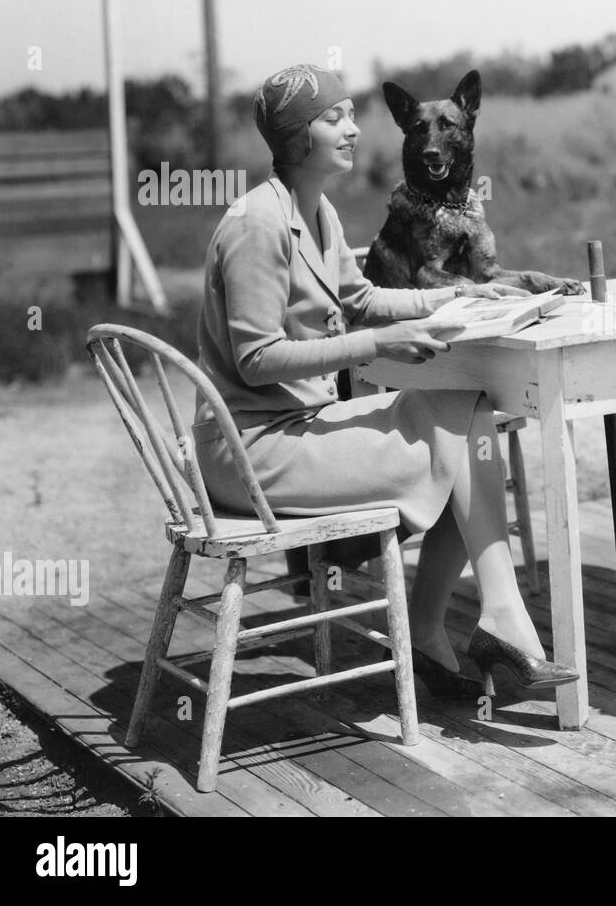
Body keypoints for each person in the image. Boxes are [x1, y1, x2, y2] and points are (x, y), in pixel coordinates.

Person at [191, 63, 576, 698]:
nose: (352, 129)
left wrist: (457, 301)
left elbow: (364, 297)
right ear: (294, 138)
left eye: (349, 114)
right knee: (462, 436)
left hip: (301, 428)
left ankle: (480, 622)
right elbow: (257, 358)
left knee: (470, 413)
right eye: (333, 118)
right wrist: (378, 344)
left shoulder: (318, 211)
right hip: (253, 449)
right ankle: (470, 626)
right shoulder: (258, 224)